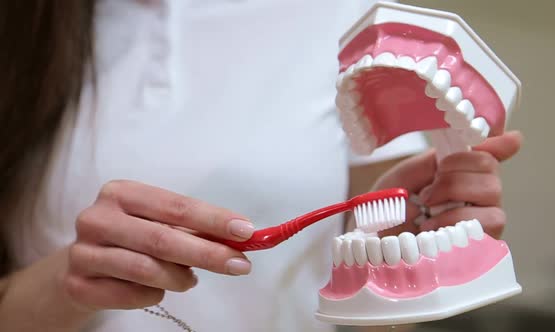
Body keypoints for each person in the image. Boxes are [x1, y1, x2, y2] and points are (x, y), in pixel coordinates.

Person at [0, 1, 522, 331]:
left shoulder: (347, 18)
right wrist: (66, 282)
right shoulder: (24, 29)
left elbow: (381, 319)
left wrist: (400, 267)